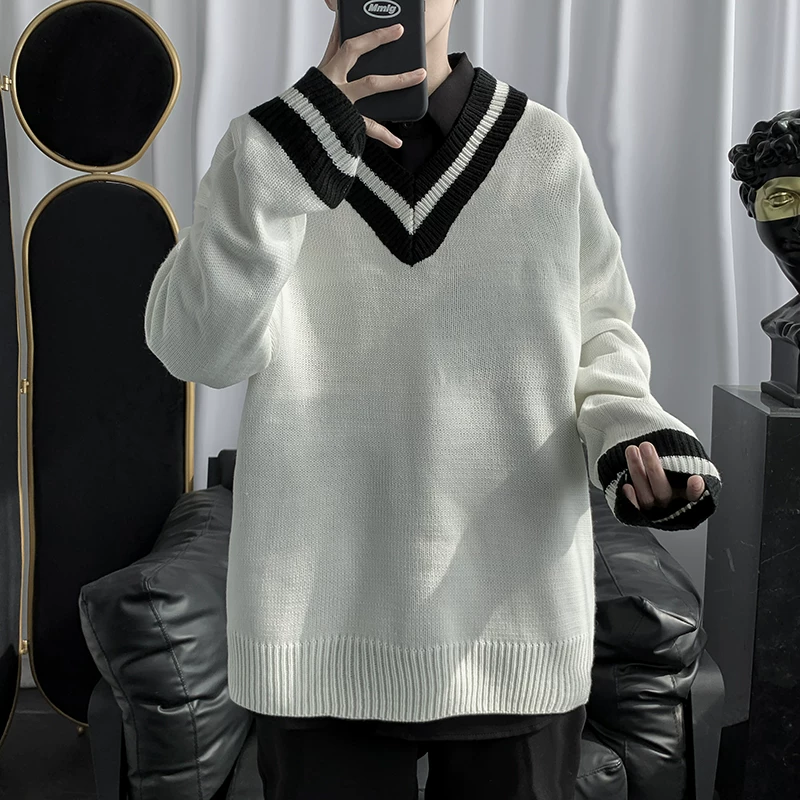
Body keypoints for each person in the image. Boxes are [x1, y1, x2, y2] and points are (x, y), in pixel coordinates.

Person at [143, 1, 722, 797]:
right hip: (315, 636)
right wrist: (287, 158)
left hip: (512, 629)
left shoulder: (544, 149)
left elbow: (600, 340)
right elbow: (195, 350)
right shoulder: (265, 150)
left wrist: (634, 436)